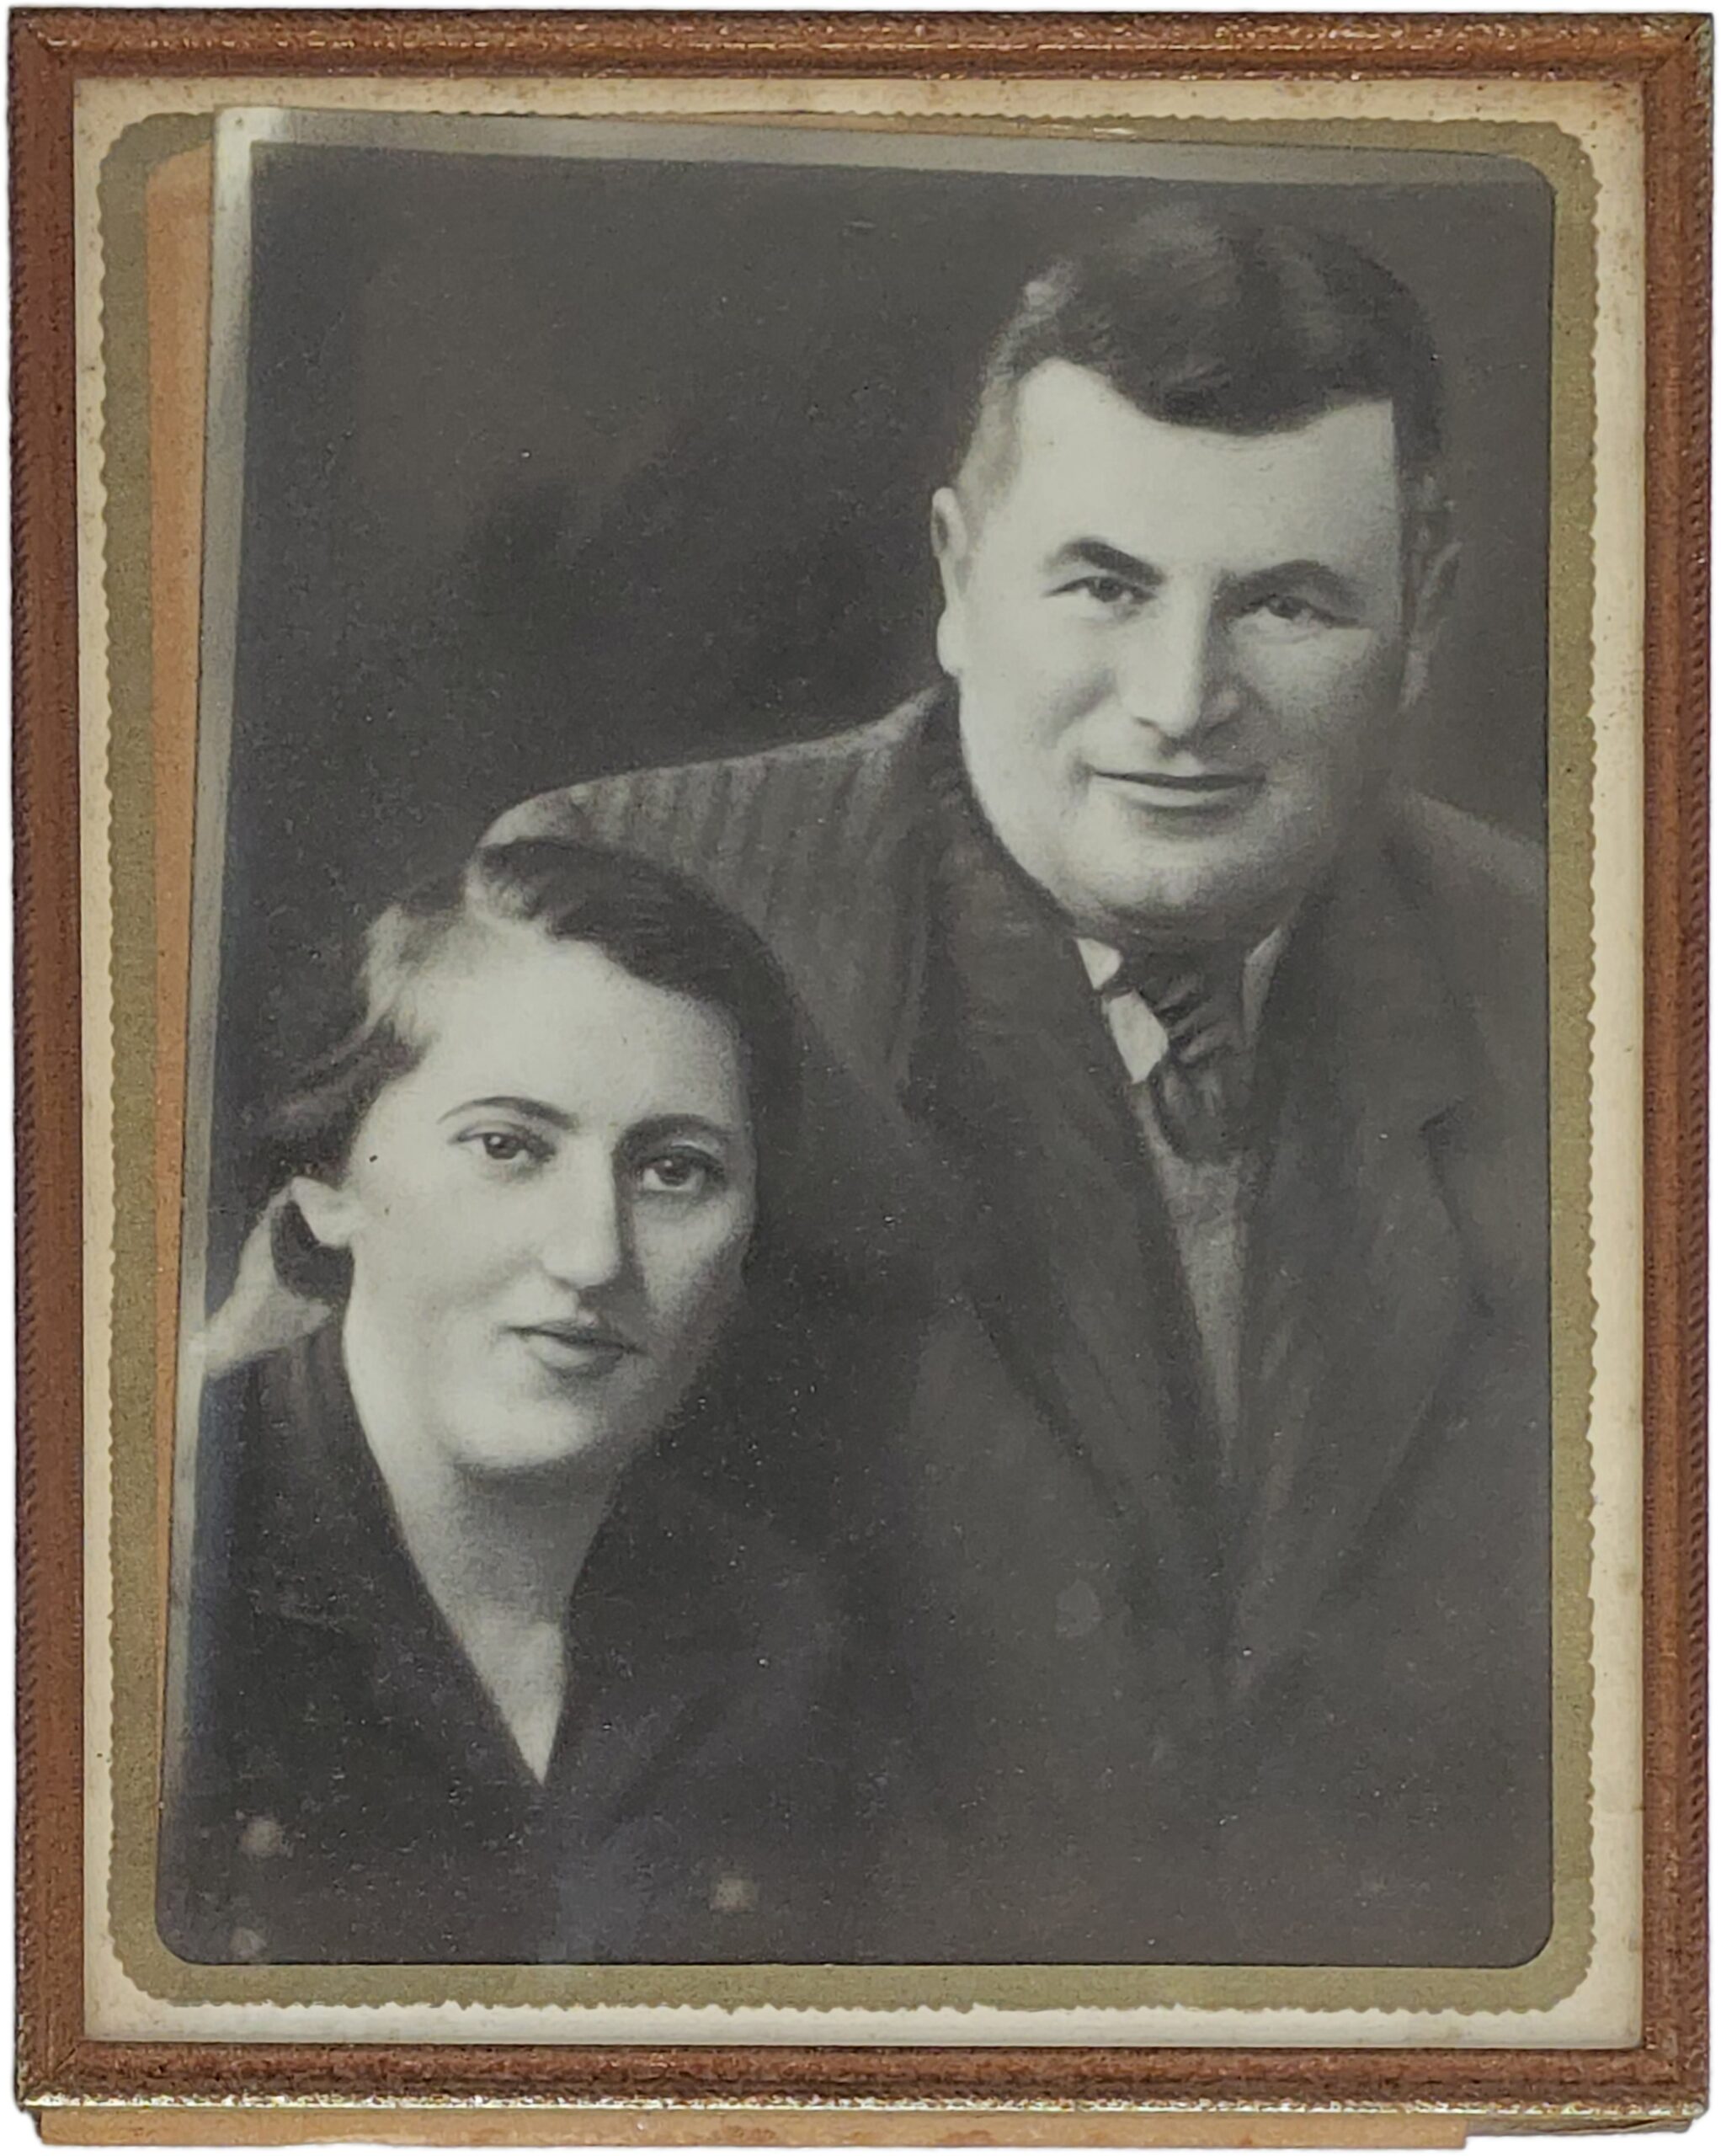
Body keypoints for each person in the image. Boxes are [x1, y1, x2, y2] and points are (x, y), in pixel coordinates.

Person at [483, 206, 1553, 1967]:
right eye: (1103, 586)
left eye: (1286, 604)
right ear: (957, 574)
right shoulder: (628, 911)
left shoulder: (1584, 980)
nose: (1179, 702)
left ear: (1420, 612)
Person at [158, 838, 893, 1965]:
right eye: (507, 1147)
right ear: (328, 1185)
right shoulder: (150, 1563)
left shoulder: (782, 1648)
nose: (593, 1255)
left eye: (676, 1170)